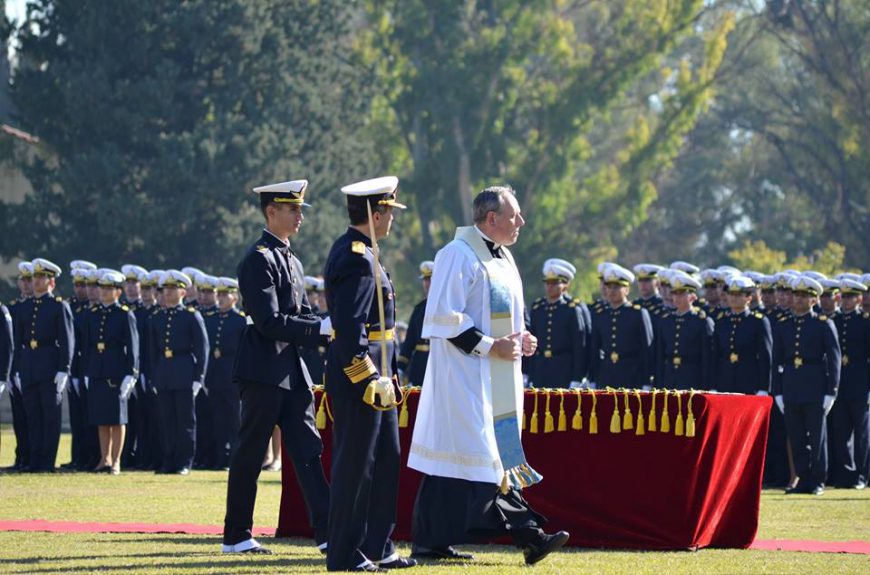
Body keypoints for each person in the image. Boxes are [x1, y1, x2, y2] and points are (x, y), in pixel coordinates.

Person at [408, 185, 569, 567]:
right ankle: (530, 535)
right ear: (491, 218)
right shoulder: (456, 254)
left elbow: (509, 314)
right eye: (514, 215)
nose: (521, 222)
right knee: (485, 459)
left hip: (495, 379)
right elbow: (444, 318)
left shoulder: (505, 258)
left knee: (451, 464)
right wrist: (490, 346)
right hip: (462, 378)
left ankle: (430, 543)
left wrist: (522, 337)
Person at [222, 179, 331, 555]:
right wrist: (320, 329)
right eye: (293, 209)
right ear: (272, 211)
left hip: (292, 369)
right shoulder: (257, 259)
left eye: (301, 209)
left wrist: (326, 327)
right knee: (251, 453)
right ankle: (236, 535)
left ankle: (330, 534)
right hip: (263, 369)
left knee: (307, 450)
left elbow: (301, 313)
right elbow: (268, 321)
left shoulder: (292, 260)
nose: (300, 216)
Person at [324, 176, 416, 572]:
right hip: (361, 382)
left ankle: (379, 545)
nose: (392, 219)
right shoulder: (356, 257)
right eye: (390, 212)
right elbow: (349, 327)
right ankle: (344, 553)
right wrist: (366, 378)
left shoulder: (366, 254)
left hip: (380, 379)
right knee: (356, 468)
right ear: (376, 214)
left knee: (384, 463)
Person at [773, 276, 840, 495]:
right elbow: (777, 360)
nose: (799, 299)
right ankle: (802, 478)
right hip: (791, 385)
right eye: (797, 295)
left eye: (805, 296)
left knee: (817, 436)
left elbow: (833, 359)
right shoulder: (784, 325)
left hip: (814, 386)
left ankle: (818, 480)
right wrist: (778, 391)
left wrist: (831, 391)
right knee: (797, 435)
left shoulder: (822, 324)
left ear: (814, 300)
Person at [15, 258, 74, 472]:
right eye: (35, 277)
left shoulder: (58, 306)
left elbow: (67, 339)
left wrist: (64, 369)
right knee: (32, 415)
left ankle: (47, 461)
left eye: (42, 277)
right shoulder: (25, 307)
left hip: (49, 364)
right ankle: (34, 459)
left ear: (52, 283)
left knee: (49, 416)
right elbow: (18, 341)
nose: (36, 281)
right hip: (29, 364)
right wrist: (18, 369)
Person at [148, 269, 208, 475]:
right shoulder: (157, 317)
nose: (168, 293)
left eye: (173, 289)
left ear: (183, 292)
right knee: (166, 420)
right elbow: (151, 351)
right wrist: (153, 377)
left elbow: (202, 350)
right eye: (166, 289)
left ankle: (184, 461)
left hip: (184, 372)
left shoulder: (191, 316)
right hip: (164, 373)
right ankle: (168, 460)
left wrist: (198, 378)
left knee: (185, 422)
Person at [81, 270, 139, 474]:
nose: (104, 292)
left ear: (117, 292)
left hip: (116, 370)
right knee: (101, 418)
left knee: (117, 419)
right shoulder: (92, 313)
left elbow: (133, 346)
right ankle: (103, 459)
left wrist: (131, 373)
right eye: (102, 288)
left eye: (108, 289)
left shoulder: (124, 314)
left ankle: (116, 461)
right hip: (97, 369)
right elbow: (87, 345)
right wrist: (87, 371)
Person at [828, 279, 869, 489]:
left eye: (851, 297)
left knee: (861, 433)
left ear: (858, 299)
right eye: (844, 297)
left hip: (860, 383)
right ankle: (845, 474)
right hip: (840, 384)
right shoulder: (833, 319)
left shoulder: (864, 321)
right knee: (841, 431)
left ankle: (862, 475)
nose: (846, 301)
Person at [204, 277, 246, 470]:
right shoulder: (210, 318)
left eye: (225, 294)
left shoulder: (240, 320)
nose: (220, 298)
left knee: (233, 421)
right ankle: (219, 457)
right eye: (219, 294)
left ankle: (235, 458)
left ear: (234, 297)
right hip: (214, 375)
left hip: (232, 376)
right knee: (216, 419)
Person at [590, 264, 654, 390]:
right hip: (606, 374)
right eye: (609, 286)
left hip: (632, 374)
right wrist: (593, 378)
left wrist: (646, 381)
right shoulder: (601, 314)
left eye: (617, 287)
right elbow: (594, 350)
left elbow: (647, 349)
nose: (612, 291)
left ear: (627, 290)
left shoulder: (637, 313)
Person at [527, 258, 589, 389]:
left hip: (564, 369)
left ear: (565, 286)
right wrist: (528, 373)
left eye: (555, 283)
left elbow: (579, 347)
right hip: (541, 369)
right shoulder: (538, 308)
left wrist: (577, 377)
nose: (550, 286)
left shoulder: (572, 310)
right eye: (547, 283)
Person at [712, 276, 772, 395]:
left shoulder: (758, 321)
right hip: (725, 382)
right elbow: (715, 356)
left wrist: (763, 388)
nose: (734, 298)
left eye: (739, 294)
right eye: (731, 294)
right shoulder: (721, 321)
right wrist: (713, 385)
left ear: (749, 297)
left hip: (749, 382)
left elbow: (765, 357)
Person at [654, 271, 714, 390]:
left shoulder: (701, 321)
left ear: (692, 296)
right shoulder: (666, 321)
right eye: (674, 294)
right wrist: (658, 384)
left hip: (693, 379)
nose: (677, 298)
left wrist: (707, 386)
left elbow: (707, 358)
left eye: (681, 294)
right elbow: (660, 357)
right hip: (669, 379)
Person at [6, 261, 34, 471]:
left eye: (29, 280)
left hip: (33, 369)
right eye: (22, 280)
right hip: (16, 369)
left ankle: (33, 456)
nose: (26, 284)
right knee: (19, 417)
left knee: (34, 417)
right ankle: (21, 455)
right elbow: (9, 344)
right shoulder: (13, 308)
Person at [193, 274, 219, 470]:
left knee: (216, 421)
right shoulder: (194, 313)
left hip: (218, 377)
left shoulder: (219, 316)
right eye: (201, 291)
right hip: (197, 376)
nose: (203, 296)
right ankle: (201, 456)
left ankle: (216, 457)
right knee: (200, 419)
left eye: (209, 292)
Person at [398, 261, 435, 387]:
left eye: (430, 278)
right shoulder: (419, 309)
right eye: (425, 279)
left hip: (439, 364)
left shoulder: (447, 308)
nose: (427, 283)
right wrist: (400, 368)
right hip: (419, 367)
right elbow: (409, 343)